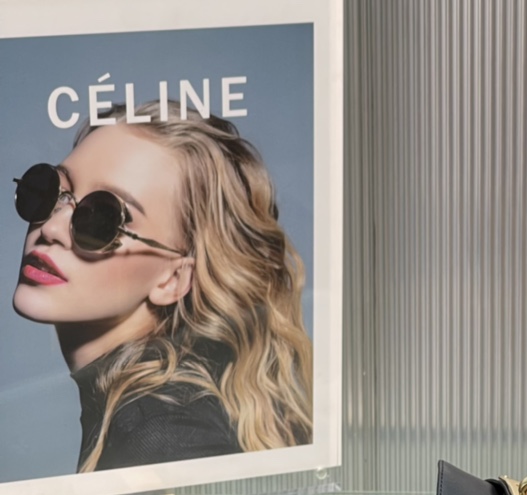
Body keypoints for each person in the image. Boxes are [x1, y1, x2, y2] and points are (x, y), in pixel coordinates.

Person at [11, 102, 312, 472]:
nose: (52, 228)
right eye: (51, 191)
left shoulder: (160, 434)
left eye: (102, 217)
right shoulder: (144, 412)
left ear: (173, 279)